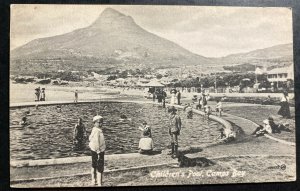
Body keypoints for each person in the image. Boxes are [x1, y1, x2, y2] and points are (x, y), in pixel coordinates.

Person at [89, 115, 106, 186]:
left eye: (101, 122)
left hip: (94, 150)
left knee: (94, 165)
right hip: (98, 151)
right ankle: (99, 183)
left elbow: (90, 139)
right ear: (94, 123)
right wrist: (98, 151)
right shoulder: (97, 131)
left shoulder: (94, 130)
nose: (101, 124)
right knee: (100, 167)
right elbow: (96, 141)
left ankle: (93, 180)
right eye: (99, 122)